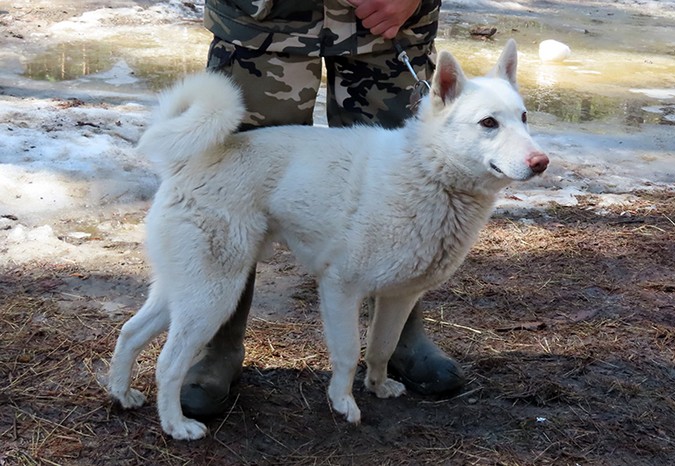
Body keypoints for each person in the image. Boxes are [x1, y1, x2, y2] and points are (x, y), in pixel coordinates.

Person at [180, 0, 465, 419]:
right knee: (234, 172)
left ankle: (398, 340)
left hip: (384, 23)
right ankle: (218, 344)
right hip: (262, 21)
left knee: (405, 172)